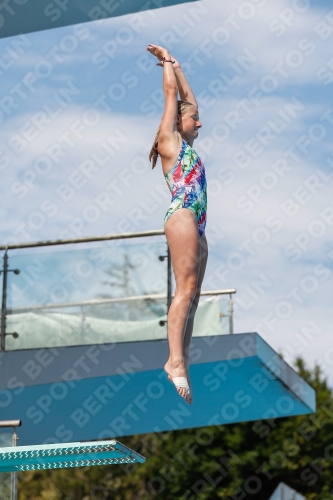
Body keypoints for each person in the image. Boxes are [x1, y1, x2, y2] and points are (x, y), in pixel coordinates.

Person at [147, 44, 208, 405]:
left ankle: (181, 359)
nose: (199, 122)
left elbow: (190, 101)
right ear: (177, 122)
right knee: (184, 290)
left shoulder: (187, 143)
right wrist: (167, 65)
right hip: (183, 212)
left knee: (194, 297)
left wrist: (180, 67)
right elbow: (173, 96)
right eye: (193, 119)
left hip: (198, 223)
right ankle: (175, 361)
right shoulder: (169, 140)